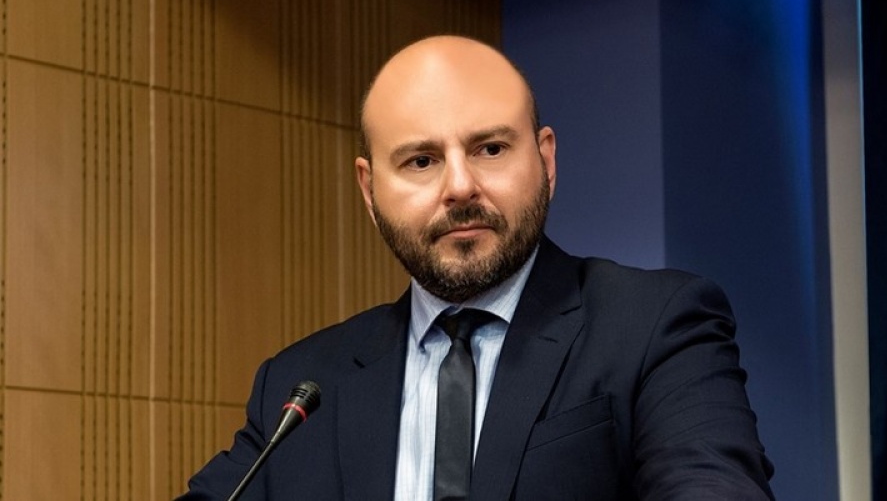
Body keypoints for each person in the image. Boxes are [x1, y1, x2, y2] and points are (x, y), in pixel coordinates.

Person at [178, 35, 774, 500]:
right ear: (369, 191)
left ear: (545, 161)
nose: (460, 186)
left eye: (490, 149)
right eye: (420, 161)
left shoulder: (654, 326)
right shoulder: (301, 386)